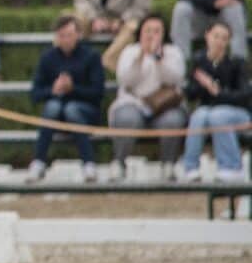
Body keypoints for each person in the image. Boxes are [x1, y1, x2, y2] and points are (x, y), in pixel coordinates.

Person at [107, 13, 186, 181]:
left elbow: (175, 78)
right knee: (128, 119)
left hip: (164, 106)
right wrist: (141, 56)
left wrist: (158, 59)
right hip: (133, 103)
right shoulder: (130, 51)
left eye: (156, 31)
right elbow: (125, 80)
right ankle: (119, 163)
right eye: (148, 30)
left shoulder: (173, 52)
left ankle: (168, 164)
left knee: (172, 121)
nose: (151, 35)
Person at [27, 16, 105, 183]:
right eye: (61, 35)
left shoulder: (91, 56)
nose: (65, 39)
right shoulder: (48, 58)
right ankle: (38, 162)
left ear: (78, 34)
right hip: (56, 114)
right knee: (52, 107)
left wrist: (72, 89)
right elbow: (35, 94)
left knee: (72, 110)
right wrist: (53, 90)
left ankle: (89, 164)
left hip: (86, 113)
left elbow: (98, 93)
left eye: (69, 34)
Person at [181, 22, 251, 182]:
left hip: (239, 114)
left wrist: (218, 92)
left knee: (218, 116)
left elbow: (244, 96)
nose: (219, 42)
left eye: (224, 38)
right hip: (209, 111)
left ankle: (231, 166)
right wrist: (201, 84)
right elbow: (190, 95)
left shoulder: (236, 63)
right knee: (199, 115)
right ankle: (190, 167)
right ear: (207, 36)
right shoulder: (199, 62)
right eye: (216, 36)